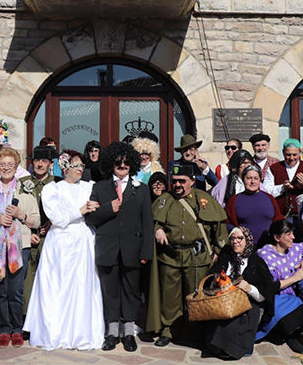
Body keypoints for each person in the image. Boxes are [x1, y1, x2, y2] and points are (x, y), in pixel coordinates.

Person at [24, 150, 105, 350]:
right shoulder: (53, 189)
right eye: (76, 166)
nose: (80, 170)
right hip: (59, 243)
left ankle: (79, 332)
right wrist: (81, 210)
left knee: (81, 284)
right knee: (57, 286)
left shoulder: (89, 187)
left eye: (82, 166)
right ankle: (54, 330)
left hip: (83, 241)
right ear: (64, 167)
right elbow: (57, 218)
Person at [150, 162, 228, 347]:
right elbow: (151, 220)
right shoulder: (164, 200)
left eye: (181, 181)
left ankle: (196, 332)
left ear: (192, 181)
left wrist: (217, 252)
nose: (177, 185)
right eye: (174, 181)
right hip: (170, 257)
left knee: (196, 296)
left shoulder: (204, 199)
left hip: (197, 258)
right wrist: (157, 229)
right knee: (170, 298)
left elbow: (219, 229)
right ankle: (169, 331)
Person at [86, 142, 153, 352]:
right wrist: (108, 208)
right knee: (111, 292)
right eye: (118, 162)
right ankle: (112, 332)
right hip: (108, 248)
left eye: (126, 162)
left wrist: (146, 251)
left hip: (132, 250)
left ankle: (129, 332)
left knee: (131, 293)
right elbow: (91, 218)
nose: (122, 165)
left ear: (131, 164)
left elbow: (147, 222)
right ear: (111, 163)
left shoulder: (141, 189)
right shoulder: (99, 187)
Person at [0, 148, 41, 348]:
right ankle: (5, 329)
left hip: (19, 248)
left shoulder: (26, 191)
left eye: (10, 165)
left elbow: (36, 221)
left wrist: (21, 215)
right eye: (2, 164)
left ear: (16, 167)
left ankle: (17, 329)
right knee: (1, 291)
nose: (6, 168)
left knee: (16, 290)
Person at [202, 227, 277, 360]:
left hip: (249, 303)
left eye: (239, 238)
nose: (235, 242)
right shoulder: (225, 258)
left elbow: (265, 296)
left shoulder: (256, 262)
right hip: (224, 302)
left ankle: (234, 347)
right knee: (219, 319)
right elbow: (211, 279)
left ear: (247, 240)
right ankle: (217, 346)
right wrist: (218, 284)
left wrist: (249, 289)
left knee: (235, 322)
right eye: (232, 238)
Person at [18, 145, 61, 318]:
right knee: (28, 278)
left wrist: (52, 222)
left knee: (51, 278)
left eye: (44, 161)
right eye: (37, 160)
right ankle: (28, 318)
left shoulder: (59, 183)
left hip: (52, 236)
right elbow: (16, 208)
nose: (40, 164)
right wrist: (29, 230)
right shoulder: (22, 183)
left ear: (51, 164)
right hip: (28, 235)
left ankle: (49, 317)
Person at [254, 220, 303, 354]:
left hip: (290, 295)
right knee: (285, 310)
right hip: (273, 296)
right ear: (276, 237)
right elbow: (270, 286)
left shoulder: (293, 249)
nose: (293, 237)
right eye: (288, 234)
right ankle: (284, 334)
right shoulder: (265, 255)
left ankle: (288, 334)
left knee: (300, 305)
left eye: (293, 233)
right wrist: (296, 277)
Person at [264, 139, 303, 236]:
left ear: (300, 153)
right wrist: (282, 188)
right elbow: (266, 190)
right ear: (283, 152)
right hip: (281, 217)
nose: (291, 158)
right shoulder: (274, 168)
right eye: (288, 154)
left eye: (295, 155)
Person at [225, 165, 283, 238]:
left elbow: (279, 219)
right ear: (243, 179)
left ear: (260, 180)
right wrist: (236, 231)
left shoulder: (269, 198)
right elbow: (227, 223)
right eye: (249, 178)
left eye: (256, 178)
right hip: (244, 245)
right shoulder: (234, 200)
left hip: (267, 245)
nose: (252, 182)